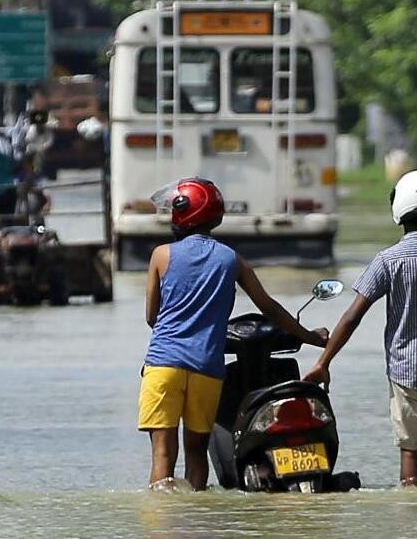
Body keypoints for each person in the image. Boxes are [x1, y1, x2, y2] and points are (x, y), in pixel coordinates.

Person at [139, 177, 330, 491]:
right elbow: (269, 307)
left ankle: (162, 526)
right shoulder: (230, 259)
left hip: (163, 366)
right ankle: (195, 523)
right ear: (215, 215)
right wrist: (309, 336)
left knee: (162, 454)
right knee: (197, 454)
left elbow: (151, 318)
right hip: (206, 368)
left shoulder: (161, 256)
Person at [302, 170, 417, 488]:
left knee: (410, 457)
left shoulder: (388, 260)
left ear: (397, 209)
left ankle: (412, 525)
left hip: (406, 372)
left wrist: (323, 363)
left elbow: (352, 317)